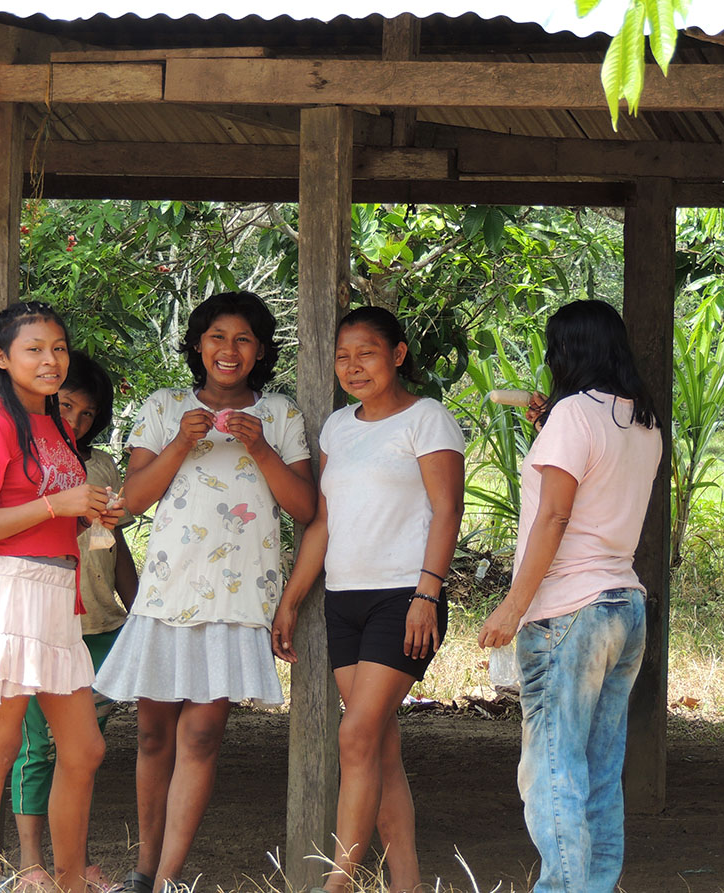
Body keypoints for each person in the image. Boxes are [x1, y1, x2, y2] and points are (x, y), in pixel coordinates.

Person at [93, 291, 316, 893]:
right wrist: (179, 444)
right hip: (167, 593)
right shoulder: (165, 407)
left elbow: (304, 507)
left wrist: (260, 446)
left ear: (261, 351)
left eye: (244, 339)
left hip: (239, 597)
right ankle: (143, 867)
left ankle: (165, 878)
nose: (229, 349)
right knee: (150, 733)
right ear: (197, 344)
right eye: (217, 336)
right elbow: (131, 502)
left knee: (201, 734)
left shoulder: (281, 414)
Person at [272, 306, 465, 893]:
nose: (353, 367)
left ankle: (338, 883)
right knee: (378, 748)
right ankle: (405, 883)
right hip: (343, 599)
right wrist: (292, 599)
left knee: (355, 735)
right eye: (343, 357)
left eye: (367, 353)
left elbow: (447, 509)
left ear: (398, 354)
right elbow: (323, 523)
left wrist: (427, 593)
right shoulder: (338, 428)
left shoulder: (428, 419)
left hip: (404, 595)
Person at [477, 299, 662, 893]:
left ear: (568, 351)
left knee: (552, 769)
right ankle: (594, 885)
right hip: (624, 605)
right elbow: (596, 489)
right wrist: (551, 425)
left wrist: (512, 607)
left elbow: (554, 517)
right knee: (601, 767)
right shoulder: (643, 420)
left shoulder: (573, 417)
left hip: (568, 608)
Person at [0, 302, 123, 893]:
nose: (50, 360)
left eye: (58, 348)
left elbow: (58, 516)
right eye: (34, 349)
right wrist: (60, 505)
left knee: (85, 750)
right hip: (14, 592)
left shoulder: (54, 426)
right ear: (3, 358)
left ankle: (70, 883)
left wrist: (93, 512)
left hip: (57, 597)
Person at [11, 351, 140, 892]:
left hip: (103, 629)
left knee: (83, 753)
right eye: (67, 406)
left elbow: (119, 547)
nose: (76, 421)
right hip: (46, 623)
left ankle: (76, 864)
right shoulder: (28, 459)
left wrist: (141, 612)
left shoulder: (104, 466)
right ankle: (29, 865)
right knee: (38, 746)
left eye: (89, 414)